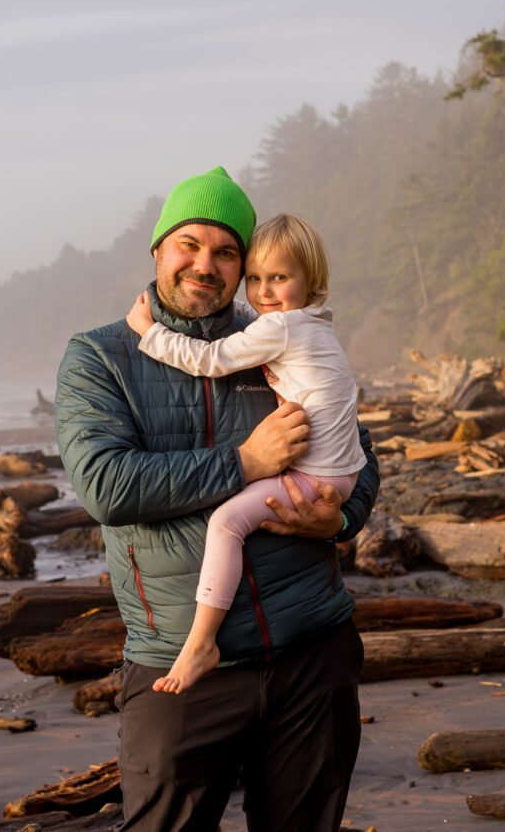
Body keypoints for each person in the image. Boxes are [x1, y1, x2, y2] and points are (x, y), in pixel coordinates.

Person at [55, 166, 380, 832]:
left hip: (311, 654)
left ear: (244, 266)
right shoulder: (100, 358)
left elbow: (360, 453)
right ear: (158, 251)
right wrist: (244, 462)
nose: (206, 264)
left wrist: (341, 516)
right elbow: (108, 487)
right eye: (190, 244)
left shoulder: (275, 336)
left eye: (226, 251)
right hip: (181, 664)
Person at [124, 212, 365, 695]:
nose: (264, 292)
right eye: (255, 279)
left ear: (310, 280)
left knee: (226, 523)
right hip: (342, 473)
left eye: (279, 278)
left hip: (315, 479)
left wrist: (146, 330)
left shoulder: (278, 329)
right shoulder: (313, 323)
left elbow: (210, 360)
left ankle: (201, 642)